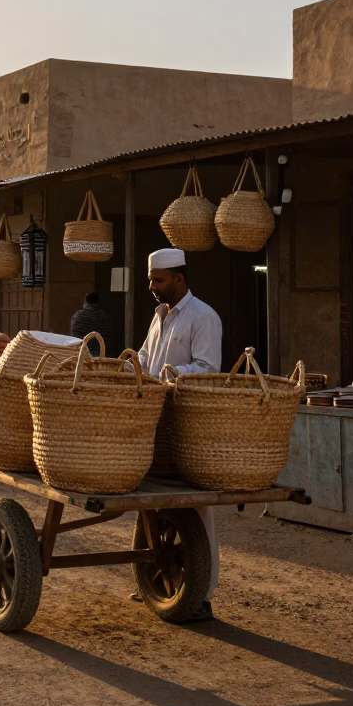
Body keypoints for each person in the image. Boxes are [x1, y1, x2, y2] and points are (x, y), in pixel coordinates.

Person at [135, 248, 223, 622]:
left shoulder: (203, 317)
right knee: (146, 501)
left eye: (159, 281)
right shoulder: (158, 317)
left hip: (188, 425)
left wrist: (164, 377)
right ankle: (151, 582)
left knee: (196, 508)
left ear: (179, 279)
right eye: (151, 280)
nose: (153, 287)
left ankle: (202, 592)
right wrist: (124, 368)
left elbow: (207, 369)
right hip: (155, 422)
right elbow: (142, 357)